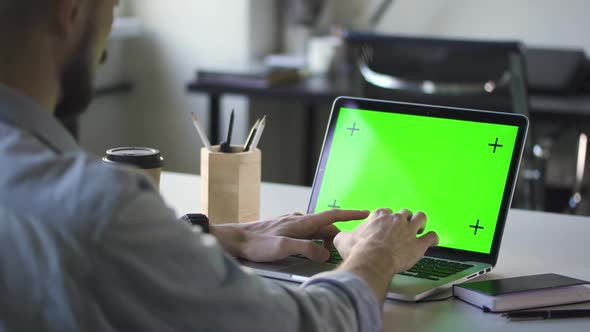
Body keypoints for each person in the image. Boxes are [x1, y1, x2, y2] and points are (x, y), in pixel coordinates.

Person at [0, 1, 439, 331]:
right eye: (113, 4)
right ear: (70, 9)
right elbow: (307, 325)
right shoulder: (98, 205)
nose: (107, 46)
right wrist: (377, 254)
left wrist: (224, 235)